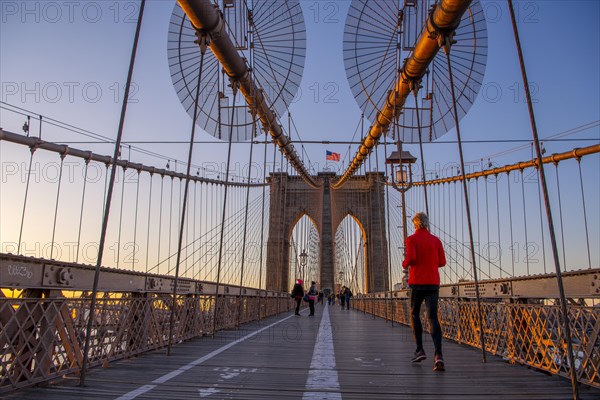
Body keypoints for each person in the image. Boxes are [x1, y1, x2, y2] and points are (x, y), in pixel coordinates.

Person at [402, 212, 446, 372]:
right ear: (427, 224)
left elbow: (411, 259)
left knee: (414, 314)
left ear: (415, 224)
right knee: (433, 317)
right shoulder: (436, 240)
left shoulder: (411, 239)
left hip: (417, 283)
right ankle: (438, 355)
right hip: (433, 283)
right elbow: (442, 262)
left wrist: (404, 263)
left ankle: (419, 350)